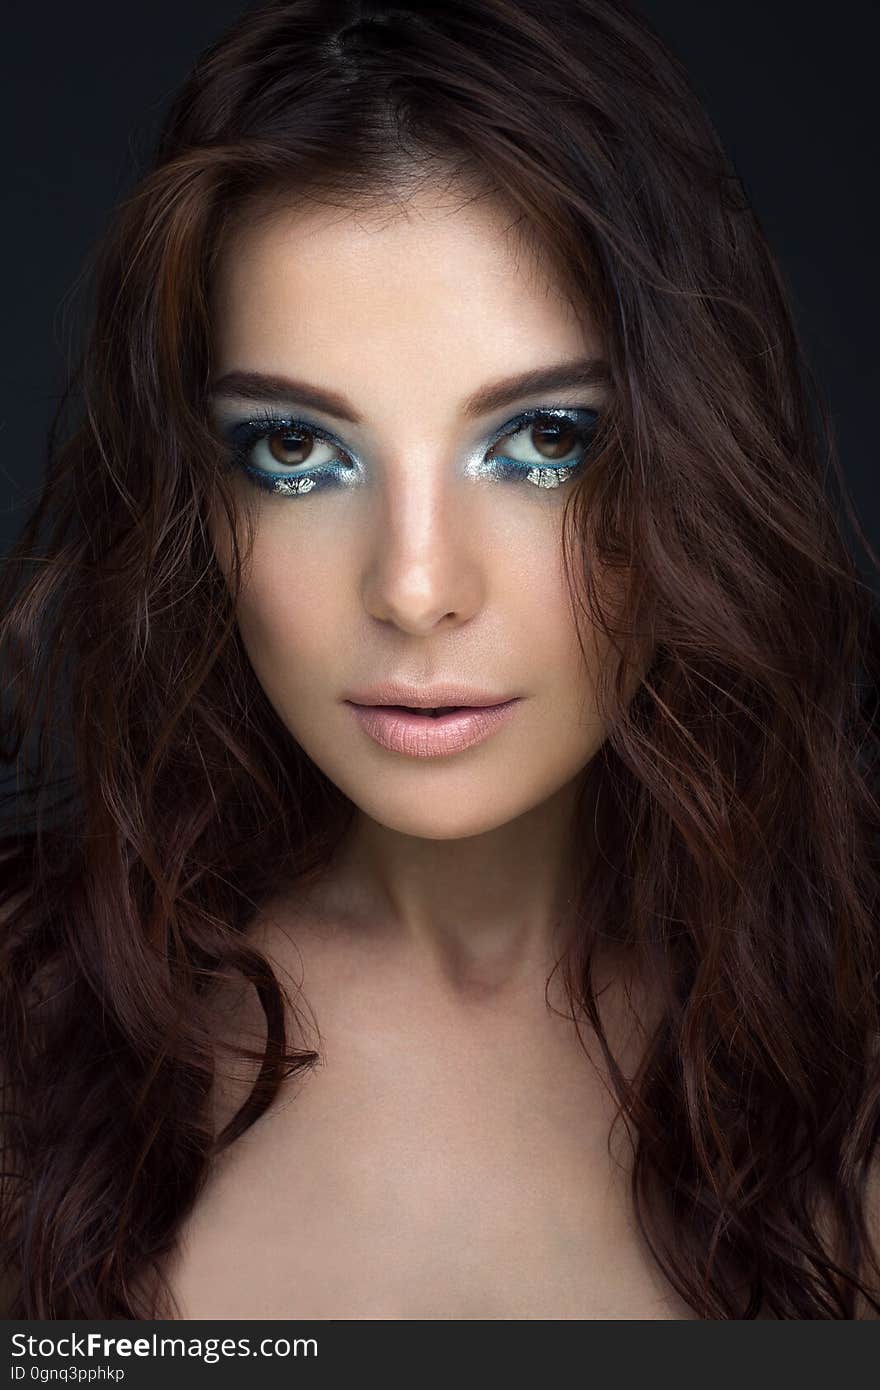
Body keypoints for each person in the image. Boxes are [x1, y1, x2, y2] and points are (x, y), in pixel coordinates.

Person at [1, 0, 879, 1321]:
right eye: (298, 452)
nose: (416, 587)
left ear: (696, 453)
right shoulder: (34, 1035)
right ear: (200, 501)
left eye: (543, 443)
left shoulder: (850, 1042)